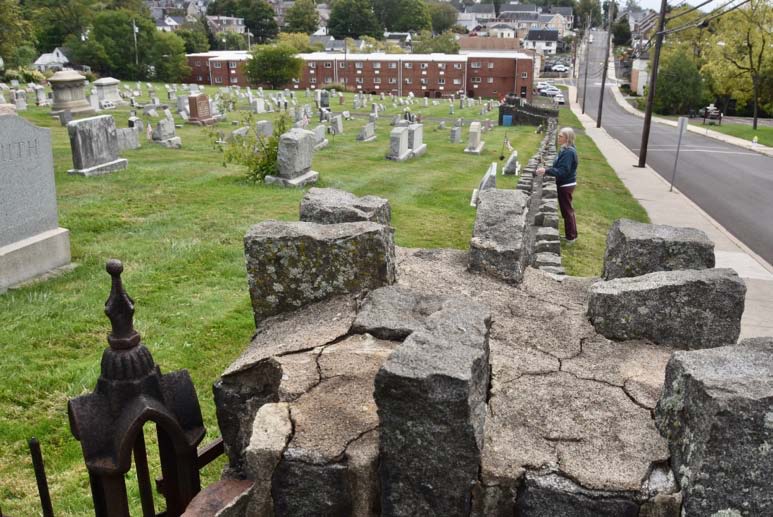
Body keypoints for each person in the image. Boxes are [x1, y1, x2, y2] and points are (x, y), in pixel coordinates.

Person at [536, 127, 578, 245]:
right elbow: (559, 167)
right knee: (568, 210)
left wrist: (546, 170)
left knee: (567, 211)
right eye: (558, 135)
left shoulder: (569, 152)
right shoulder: (565, 149)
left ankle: (571, 237)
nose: (558, 138)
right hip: (565, 183)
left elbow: (563, 171)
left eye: (561, 136)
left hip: (566, 184)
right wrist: (548, 168)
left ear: (567, 138)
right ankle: (572, 234)